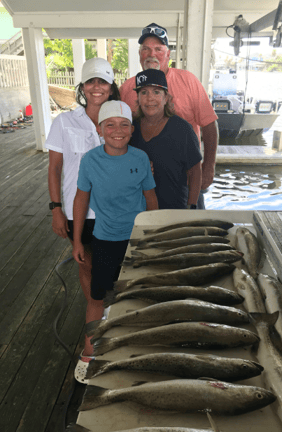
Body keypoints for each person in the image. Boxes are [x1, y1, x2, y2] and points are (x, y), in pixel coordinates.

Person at [45, 57, 120, 382]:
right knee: (88, 273)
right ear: (82, 87)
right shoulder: (65, 122)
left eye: (102, 82)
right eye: (91, 82)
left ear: (111, 87)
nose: (96, 88)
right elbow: (55, 168)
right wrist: (55, 208)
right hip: (79, 214)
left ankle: (115, 327)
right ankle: (90, 346)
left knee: (118, 273)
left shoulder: (119, 121)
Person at [72, 101, 158, 380]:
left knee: (140, 293)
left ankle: (137, 345)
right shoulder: (90, 160)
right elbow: (81, 199)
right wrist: (77, 241)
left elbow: (150, 198)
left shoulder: (140, 159)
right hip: (106, 239)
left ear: (132, 130)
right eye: (110, 124)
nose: (117, 131)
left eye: (124, 125)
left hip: (137, 238)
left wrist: (153, 235)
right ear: (100, 129)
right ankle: (90, 350)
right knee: (98, 297)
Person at [120, 23, 219, 208]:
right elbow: (117, 133)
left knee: (191, 228)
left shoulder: (188, 80)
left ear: (168, 54)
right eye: (146, 49)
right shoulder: (127, 88)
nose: (152, 54)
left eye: (159, 49)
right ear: (139, 54)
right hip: (141, 183)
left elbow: (209, 124)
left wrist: (209, 165)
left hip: (187, 179)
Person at [130, 68, 202, 209]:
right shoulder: (131, 128)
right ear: (138, 98)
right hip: (137, 211)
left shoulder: (182, 129)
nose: (150, 98)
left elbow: (195, 171)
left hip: (174, 211)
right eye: (144, 92)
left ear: (166, 98)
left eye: (156, 92)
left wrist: (192, 206)